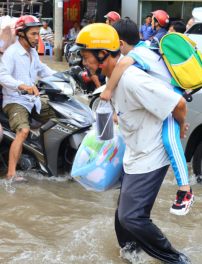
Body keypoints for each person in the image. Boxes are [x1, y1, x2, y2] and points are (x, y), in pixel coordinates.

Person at [71, 23, 191, 263]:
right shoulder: (112, 82)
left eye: (86, 57)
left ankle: (176, 260)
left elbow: (179, 104)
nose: (85, 63)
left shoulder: (132, 79)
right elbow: (117, 121)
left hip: (150, 154)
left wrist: (179, 128)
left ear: (102, 54)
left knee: (132, 217)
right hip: (133, 150)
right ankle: (132, 256)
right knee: (122, 218)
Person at [101, 18, 194, 215]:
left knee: (171, 141)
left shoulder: (137, 54)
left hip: (173, 98)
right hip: (168, 98)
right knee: (171, 139)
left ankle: (185, 191)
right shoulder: (145, 48)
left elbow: (121, 65)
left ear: (119, 44)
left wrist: (107, 90)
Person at [0, 15, 57, 183]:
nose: (37, 38)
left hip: (33, 101)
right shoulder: (12, 53)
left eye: (38, 34)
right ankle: (11, 173)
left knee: (60, 116)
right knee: (23, 131)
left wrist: (65, 77)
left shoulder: (32, 53)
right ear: (21, 34)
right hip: (15, 101)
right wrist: (23, 86)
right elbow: (2, 76)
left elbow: (44, 70)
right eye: (33, 34)